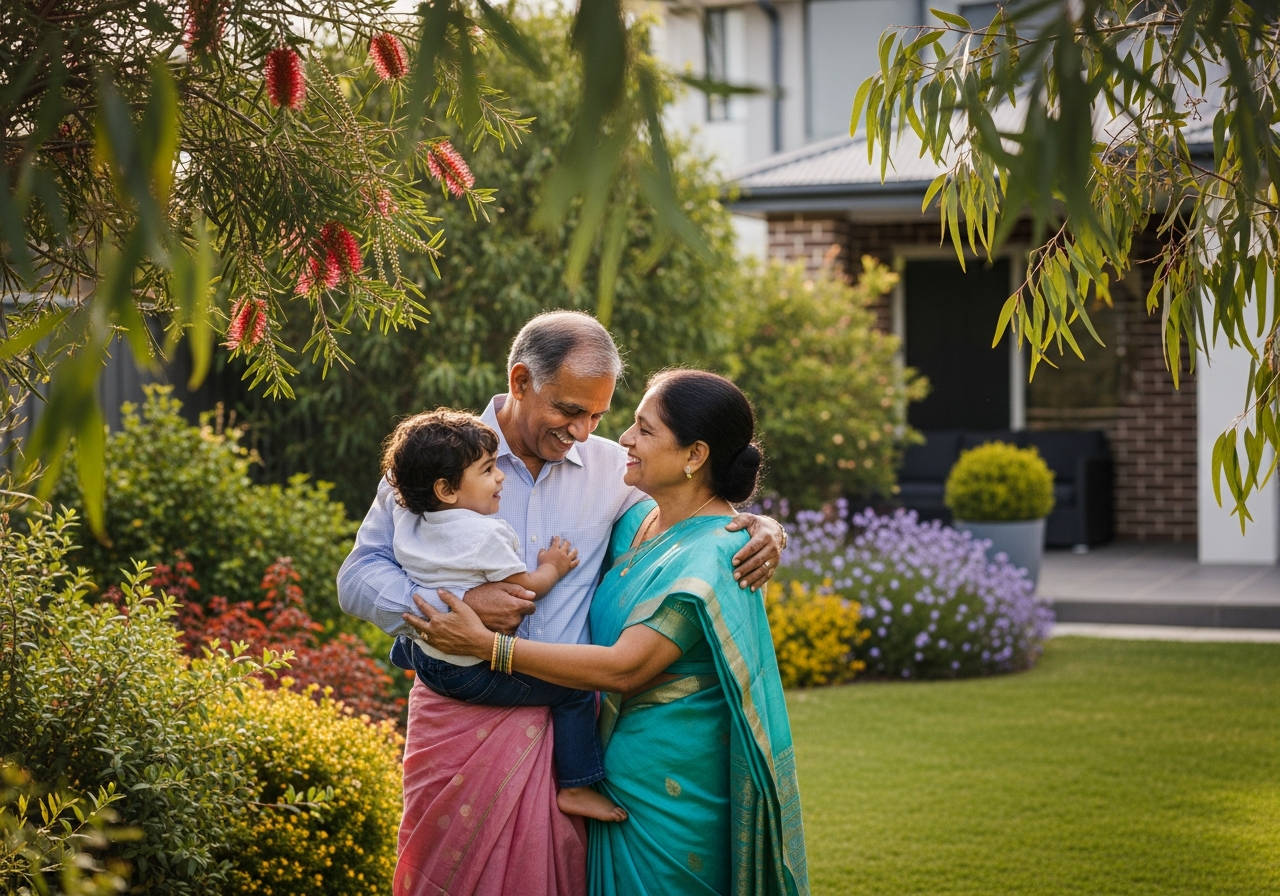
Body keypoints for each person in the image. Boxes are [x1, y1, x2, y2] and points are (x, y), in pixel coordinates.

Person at [336, 311, 784, 896]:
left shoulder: (612, 472)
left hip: (569, 734)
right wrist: (461, 605)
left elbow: (684, 523)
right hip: (456, 716)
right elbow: (359, 576)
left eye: (598, 414)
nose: (584, 430)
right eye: (570, 411)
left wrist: (764, 526)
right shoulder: (435, 460)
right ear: (521, 381)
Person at [381, 407, 624, 822]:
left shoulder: (411, 522)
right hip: (469, 671)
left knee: (416, 640)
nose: (500, 478)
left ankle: (403, 650)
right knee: (575, 691)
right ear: (446, 488)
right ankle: (577, 784)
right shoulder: (486, 534)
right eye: (489, 470)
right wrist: (554, 566)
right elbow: (523, 590)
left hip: (425, 658)